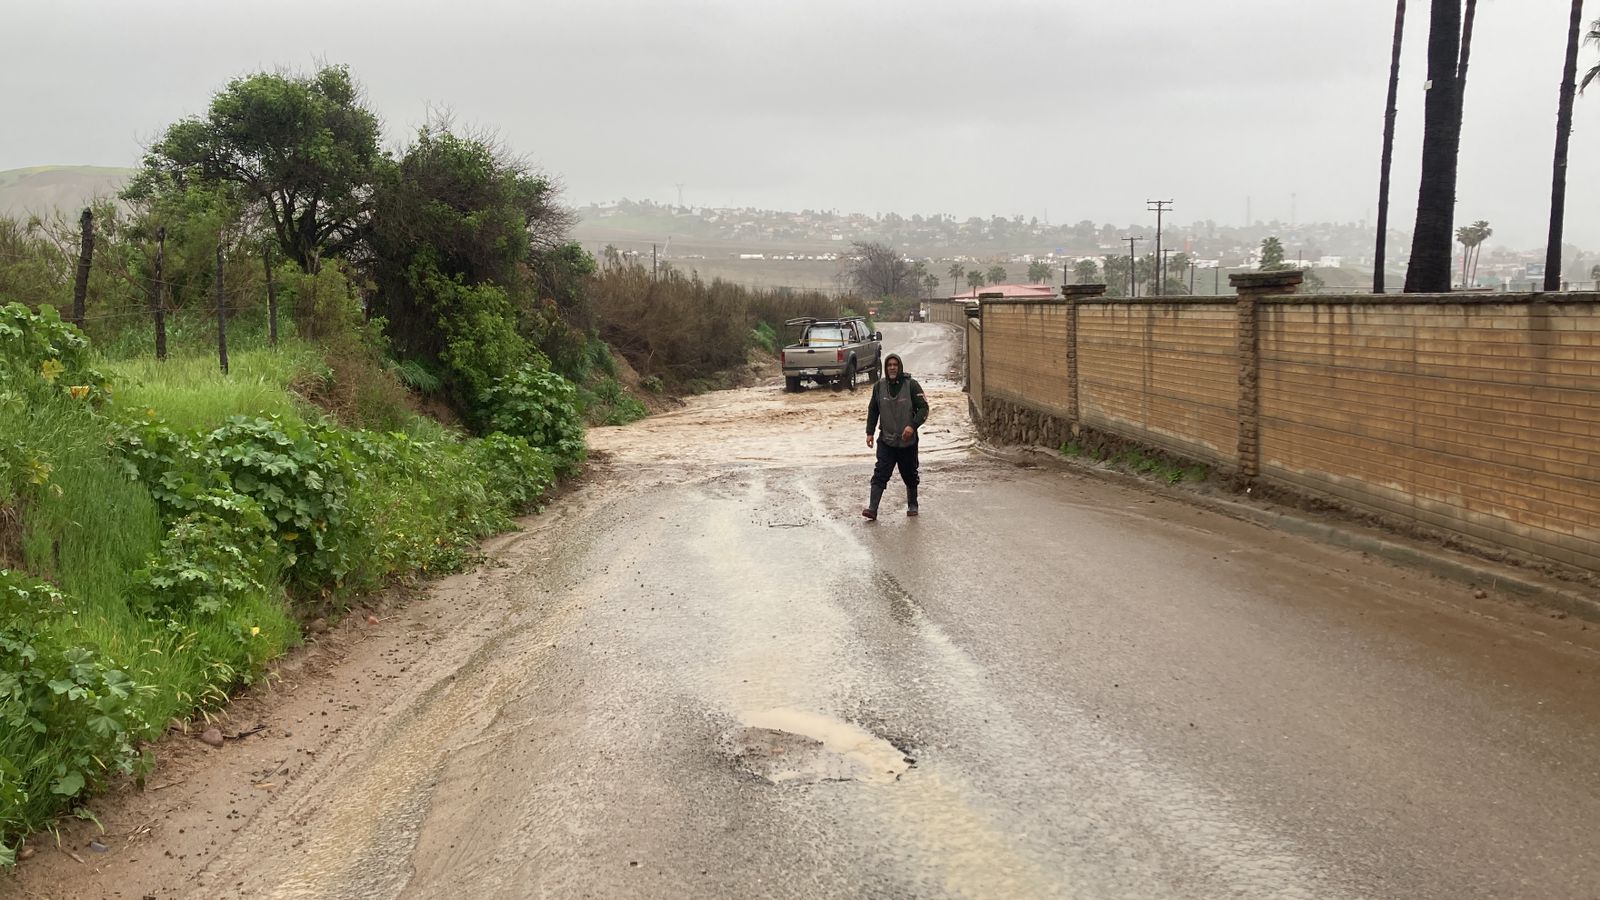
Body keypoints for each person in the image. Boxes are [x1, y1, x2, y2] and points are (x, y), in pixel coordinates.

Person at [863, 353, 928, 519]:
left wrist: (912, 426)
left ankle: (913, 504)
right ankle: (872, 508)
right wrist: (870, 432)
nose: (892, 367)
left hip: (907, 442)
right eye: (889, 365)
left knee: (910, 474)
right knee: (880, 473)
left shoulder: (912, 385)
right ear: (885, 368)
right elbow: (873, 410)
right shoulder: (879, 387)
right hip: (887, 440)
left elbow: (923, 409)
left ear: (900, 367)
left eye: (895, 365)